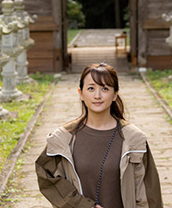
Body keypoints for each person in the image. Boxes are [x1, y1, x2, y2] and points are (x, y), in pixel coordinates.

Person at [35, 63, 163, 208]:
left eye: (104, 88)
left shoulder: (134, 139)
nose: (97, 95)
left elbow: (150, 195)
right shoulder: (62, 138)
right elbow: (46, 177)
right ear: (81, 94)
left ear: (115, 94)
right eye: (91, 88)